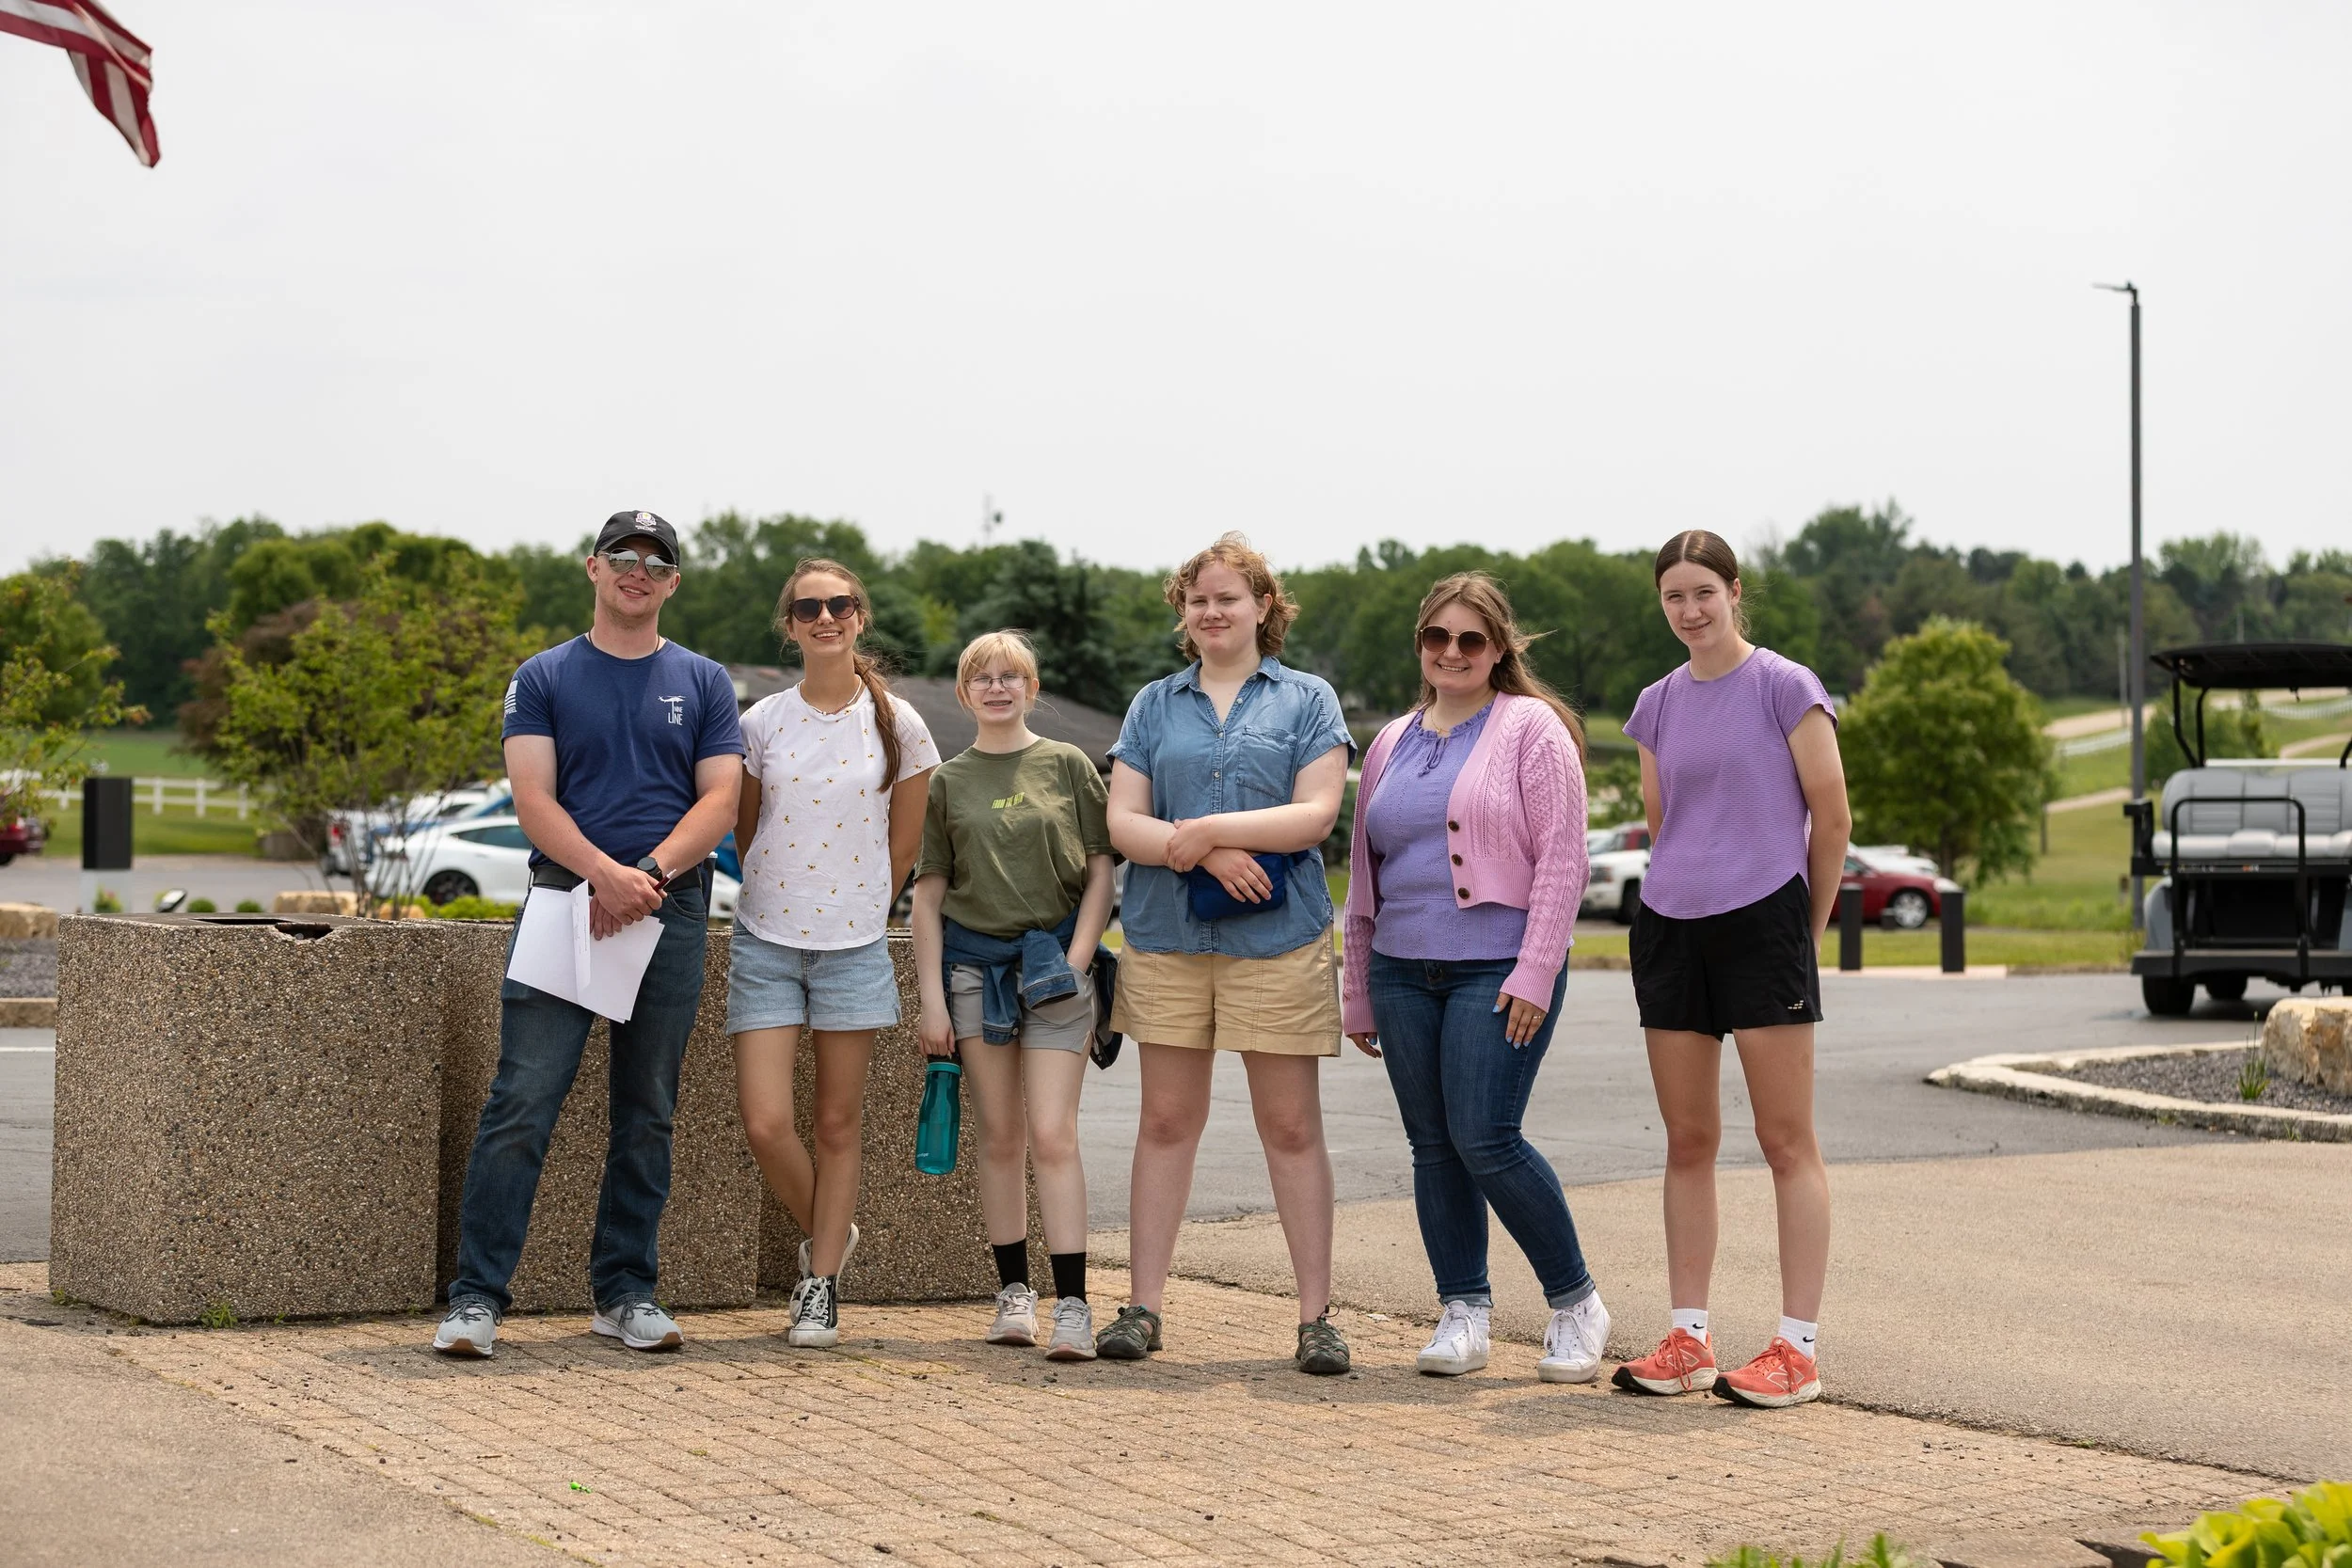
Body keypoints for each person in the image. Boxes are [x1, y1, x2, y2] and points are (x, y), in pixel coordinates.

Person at [436, 510, 744, 1359]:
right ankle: (475, 1298)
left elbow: (720, 799)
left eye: (655, 561)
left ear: (672, 582)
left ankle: (624, 1291)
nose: (637, 570)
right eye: (622, 556)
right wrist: (605, 875)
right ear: (593, 569)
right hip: (565, 902)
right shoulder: (542, 676)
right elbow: (534, 799)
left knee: (648, 1111)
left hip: (670, 908)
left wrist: (645, 876)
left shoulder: (706, 680)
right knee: (521, 1102)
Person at [1097, 532, 1359, 1375]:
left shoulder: (1308, 698)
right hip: (1169, 938)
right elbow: (1122, 823)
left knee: (1289, 1126)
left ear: (1263, 609)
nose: (1212, 612)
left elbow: (1316, 813)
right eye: (1198, 599)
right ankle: (1144, 1305)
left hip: (1277, 943)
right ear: (1184, 611)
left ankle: (1316, 1316)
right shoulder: (1153, 705)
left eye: (1228, 599)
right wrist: (1203, 849)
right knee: (1167, 1121)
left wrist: (1209, 829)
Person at [1342, 572, 1609, 1382]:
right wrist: (1357, 984)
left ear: (1499, 649)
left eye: (1471, 640)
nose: (1452, 653)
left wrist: (1536, 970)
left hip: (1496, 966)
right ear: (1420, 644)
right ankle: (1463, 1310)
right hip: (1400, 965)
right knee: (1433, 1146)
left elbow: (1565, 859)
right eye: (1437, 638)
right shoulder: (1391, 738)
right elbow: (1363, 874)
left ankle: (1576, 1304)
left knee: (1486, 1137)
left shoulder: (1532, 728)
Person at [1613, 529, 1849, 1410]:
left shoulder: (1786, 687)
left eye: (1703, 591)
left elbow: (1831, 821)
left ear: (1734, 590)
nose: (1690, 609)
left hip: (1766, 924)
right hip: (1671, 926)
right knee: (1688, 1139)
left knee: (1786, 1140)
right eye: (1673, 595)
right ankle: (1689, 1338)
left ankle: (1798, 1349)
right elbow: (1664, 821)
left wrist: (1805, 930)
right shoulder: (1655, 704)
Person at [728, 558, 939, 1350]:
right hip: (766, 939)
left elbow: (907, 838)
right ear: (790, 625)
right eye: (809, 607)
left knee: (839, 1120)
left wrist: (858, 900)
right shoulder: (761, 722)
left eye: (840, 604)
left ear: (860, 616)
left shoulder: (900, 723)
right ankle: (831, 1231)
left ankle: (819, 1281)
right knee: (766, 1120)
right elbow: (746, 830)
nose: (826, 617)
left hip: (854, 945)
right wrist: (788, 889)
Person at [910, 631, 1117, 1361]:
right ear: (964, 693)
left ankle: (1075, 1305)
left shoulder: (1067, 766)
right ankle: (1012, 1296)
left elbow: (1100, 874)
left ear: (1032, 687)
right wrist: (931, 1000)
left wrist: (1078, 959)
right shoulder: (947, 780)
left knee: (1053, 1134)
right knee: (1000, 1136)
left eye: (1011, 676)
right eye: (983, 678)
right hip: (973, 974)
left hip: (1055, 970)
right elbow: (928, 899)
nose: (998, 688)